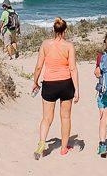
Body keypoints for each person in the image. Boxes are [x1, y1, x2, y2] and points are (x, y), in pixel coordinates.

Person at [32, 18, 78, 160]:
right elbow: (73, 68)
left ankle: (41, 143)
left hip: (49, 84)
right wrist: (77, 90)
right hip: (65, 84)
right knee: (65, 117)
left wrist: (35, 82)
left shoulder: (45, 44)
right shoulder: (69, 46)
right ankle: (63, 149)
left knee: (46, 118)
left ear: (54, 30)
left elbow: (39, 66)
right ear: (65, 31)